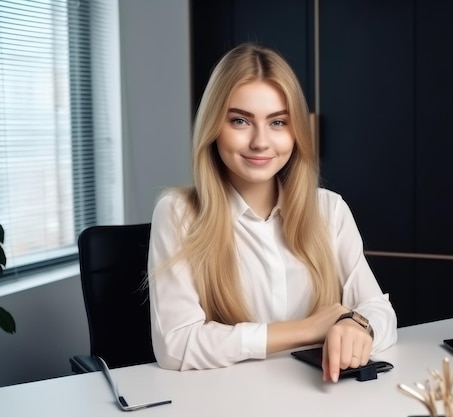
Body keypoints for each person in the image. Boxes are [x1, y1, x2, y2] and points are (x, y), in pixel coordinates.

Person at [147, 42, 397, 383]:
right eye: (240, 120)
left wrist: (357, 327)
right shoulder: (178, 214)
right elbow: (175, 345)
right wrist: (306, 329)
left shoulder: (329, 209)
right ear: (213, 127)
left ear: (296, 131)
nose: (260, 142)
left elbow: (381, 313)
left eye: (278, 122)